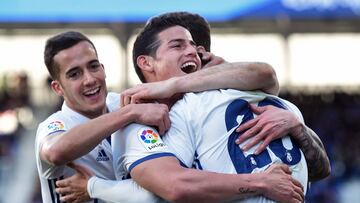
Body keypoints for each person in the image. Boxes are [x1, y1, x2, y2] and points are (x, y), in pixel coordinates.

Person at [57, 14, 329, 203]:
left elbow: (319, 169)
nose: (193, 53)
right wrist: (260, 182)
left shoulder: (255, 98)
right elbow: (170, 188)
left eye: (196, 48)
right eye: (178, 45)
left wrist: (297, 127)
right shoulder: (144, 118)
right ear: (146, 63)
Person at [35, 31, 172, 203]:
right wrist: (129, 113)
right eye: (74, 74)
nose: (89, 79)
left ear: (103, 68)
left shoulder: (123, 102)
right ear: (58, 88)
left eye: (93, 66)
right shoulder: (55, 124)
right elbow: (55, 152)